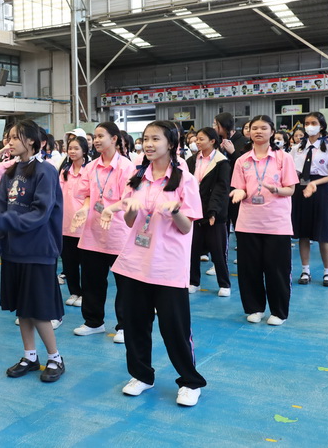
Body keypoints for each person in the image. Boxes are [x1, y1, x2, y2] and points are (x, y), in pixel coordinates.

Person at [100, 121, 206, 407]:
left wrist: (175, 211)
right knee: (135, 325)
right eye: (145, 139)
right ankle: (141, 375)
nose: (148, 144)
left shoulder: (185, 180)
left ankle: (190, 382)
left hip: (168, 265)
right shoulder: (138, 178)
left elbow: (186, 227)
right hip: (135, 263)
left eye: (155, 139)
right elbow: (130, 221)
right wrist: (131, 211)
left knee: (175, 328)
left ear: (171, 143)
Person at [0, 119, 66, 383]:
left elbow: (41, 213)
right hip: (14, 252)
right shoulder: (9, 173)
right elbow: (1, 211)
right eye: (8, 137)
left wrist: (7, 221)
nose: (10, 142)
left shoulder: (45, 172)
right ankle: (30, 356)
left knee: (39, 310)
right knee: (22, 308)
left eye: (15, 137)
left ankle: (55, 358)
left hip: (38, 251)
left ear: (31, 141)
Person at [70, 122, 136, 343]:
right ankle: (93, 322)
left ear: (114, 139)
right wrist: (84, 208)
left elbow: (128, 198)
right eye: (95, 137)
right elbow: (88, 194)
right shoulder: (91, 167)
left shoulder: (126, 167)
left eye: (101, 136)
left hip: (118, 232)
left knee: (125, 284)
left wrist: (110, 209)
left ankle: (125, 326)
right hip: (93, 233)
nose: (96, 140)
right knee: (92, 281)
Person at [230, 115, 298, 325]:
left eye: (263, 128)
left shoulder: (283, 158)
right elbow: (240, 187)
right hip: (248, 222)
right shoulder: (242, 160)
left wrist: (275, 190)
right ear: (249, 132)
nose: (258, 131)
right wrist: (239, 192)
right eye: (254, 128)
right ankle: (254, 307)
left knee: (277, 270)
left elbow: (291, 189)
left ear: (272, 131)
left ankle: (279, 312)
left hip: (276, 223)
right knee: (249, 269)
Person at [290, 112, 328, 287]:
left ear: (322, 126)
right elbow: (293, 172)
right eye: (306, 123)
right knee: (303, 233)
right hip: (300, 190)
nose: (309, 126)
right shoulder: (297, 148)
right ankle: (305, 270)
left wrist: (314, 184)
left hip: (321, 190)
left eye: (313, 123)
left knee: (323, 233)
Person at [186, 128, 232, 296]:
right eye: (196, 139)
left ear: (212, 141)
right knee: (193, 249)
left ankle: (224, 284)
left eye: (201, 139)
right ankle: (194, 281)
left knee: (218, 250)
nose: (197, 142)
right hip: (194, 211)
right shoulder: (191, 160)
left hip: (214, 213)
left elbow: (221, 188)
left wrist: (213, 211)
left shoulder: (221, 162)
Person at [58, 136, 89, 308]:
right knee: (69, 262)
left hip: (84, 226)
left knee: (86, 264)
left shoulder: (89, 171)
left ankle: (85, 294)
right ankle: (74, 292)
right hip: (65, 224)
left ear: (84, 151)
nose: (72, 151)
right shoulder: (64, 171)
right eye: (70, 148)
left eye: (76, 148)